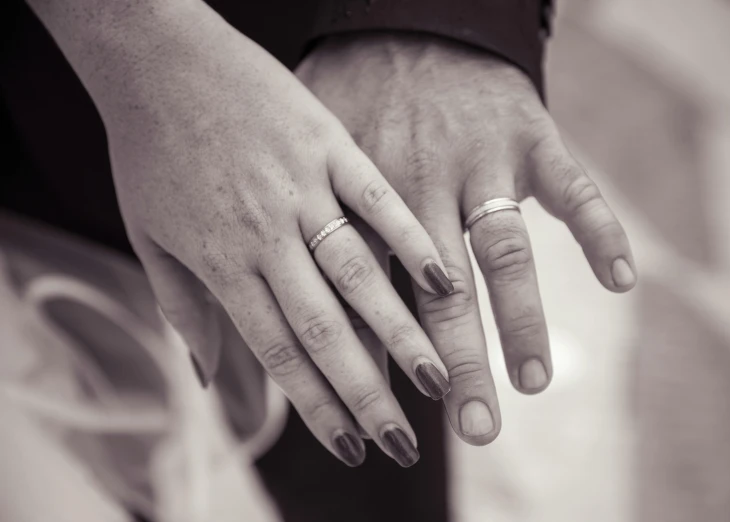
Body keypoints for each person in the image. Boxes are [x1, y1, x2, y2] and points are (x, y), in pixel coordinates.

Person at [0, 0, 636, 520]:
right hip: (33, 122)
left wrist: (432, 17)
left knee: (363, 387)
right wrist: (135, 41)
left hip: (322, 98)